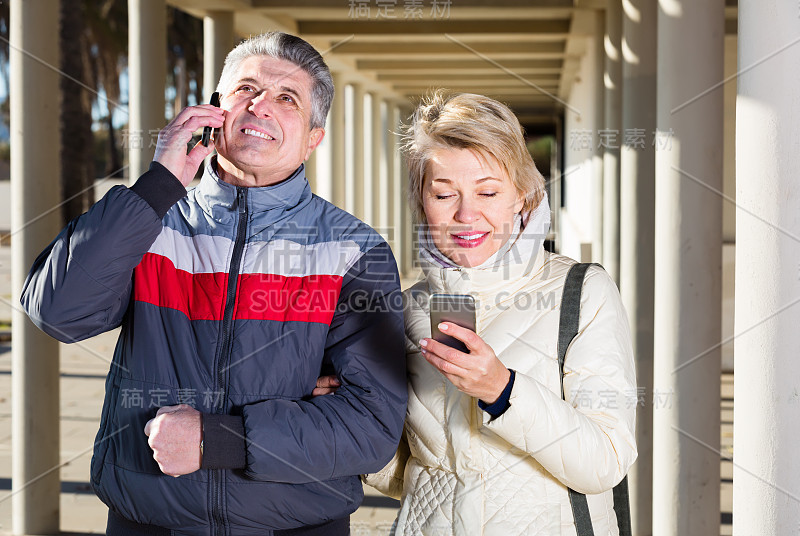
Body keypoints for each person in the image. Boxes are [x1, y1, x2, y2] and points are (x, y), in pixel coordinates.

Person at [20, 32, 407, 535]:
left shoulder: (356, 250)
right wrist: (158, 183)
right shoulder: (150, 220)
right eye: (246, 89)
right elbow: (58, 312)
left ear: (314, 136)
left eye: (287, 98)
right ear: (215, 109)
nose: (261, 106)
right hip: (148, 520)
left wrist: (220, 439)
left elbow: (372, 426)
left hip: (298, 524)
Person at [357, 92, 637, 534]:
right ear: (421, 199)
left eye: (488, 191)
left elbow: (605, 462)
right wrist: (351, 417)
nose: (467, 215)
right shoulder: (406, 309)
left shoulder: (580, 293)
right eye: (444, 194)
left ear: (522, 196)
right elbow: (408, 474)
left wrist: (503, 390)